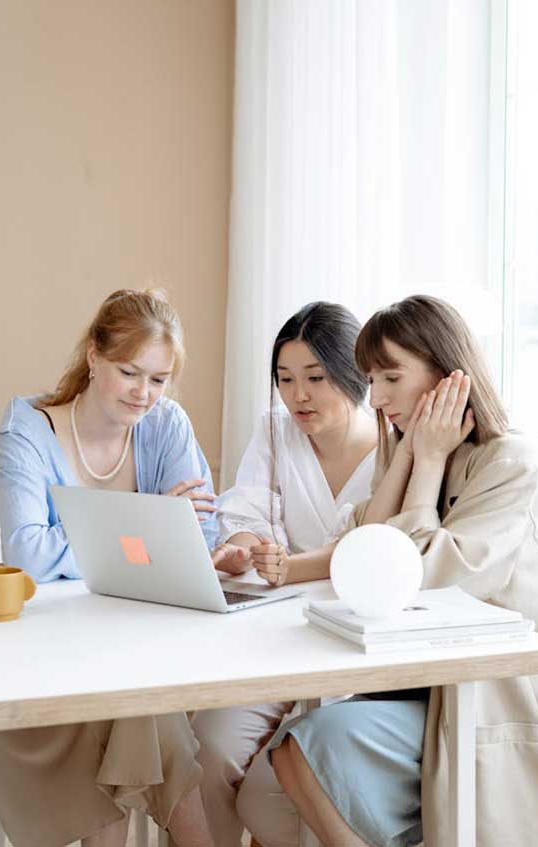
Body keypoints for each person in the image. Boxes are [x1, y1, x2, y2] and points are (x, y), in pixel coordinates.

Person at [268, 295, 538, 847]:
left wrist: (429, 459)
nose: (378, 397)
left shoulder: (513, 462)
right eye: (371, 378)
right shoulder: (410, 450)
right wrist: (415, 454)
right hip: (430, 683)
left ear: (448, 374)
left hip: (503, 698)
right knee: (293, 753)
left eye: (392, 376)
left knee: (309, 747)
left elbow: (429, 580)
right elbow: (362, 554)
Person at [0, 289, 218, 847]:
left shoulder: (165, 424)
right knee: (149, 715)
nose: (144, 394)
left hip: (130, 654)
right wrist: (151, 525)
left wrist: (130, 535)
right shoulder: (29, 429)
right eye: (130, 372)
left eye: (159, 379)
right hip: (40, 673)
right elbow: (27, 552)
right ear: (94, 357)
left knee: (141, 704)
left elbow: (203, 535)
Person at [195, 301, 378, 847]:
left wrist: (293, 565)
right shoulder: (275, 431)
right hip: (275, 639)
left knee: (269, 790)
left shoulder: (392, 448)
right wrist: (246, 549)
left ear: (353, 375)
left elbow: (374, 548)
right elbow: (246, 513)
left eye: (316, 378)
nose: (298, 395)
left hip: (351, 650)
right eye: (285, 379)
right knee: (209, 747)